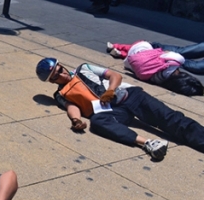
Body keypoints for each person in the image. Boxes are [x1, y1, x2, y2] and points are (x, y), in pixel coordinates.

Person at [35, 57, 204, 160]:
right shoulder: (60, 95)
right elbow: (72, 106)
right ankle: (148, 143)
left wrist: (110, 90)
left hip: (129, 96)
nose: (62, 75)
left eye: (61, 69)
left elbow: (114, 75)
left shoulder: (84, 68)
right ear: (52, 81)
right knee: (97, 122)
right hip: (110, 112)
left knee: (169, 118)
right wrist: (76, 120)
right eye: (56, 76)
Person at [106, 41, 204, 96]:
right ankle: (121, 52)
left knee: (189, 60)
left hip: (148, 49)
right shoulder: (159, 80)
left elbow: (168, 53)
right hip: (133, 60)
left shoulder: (176, 61)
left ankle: (118, 47)